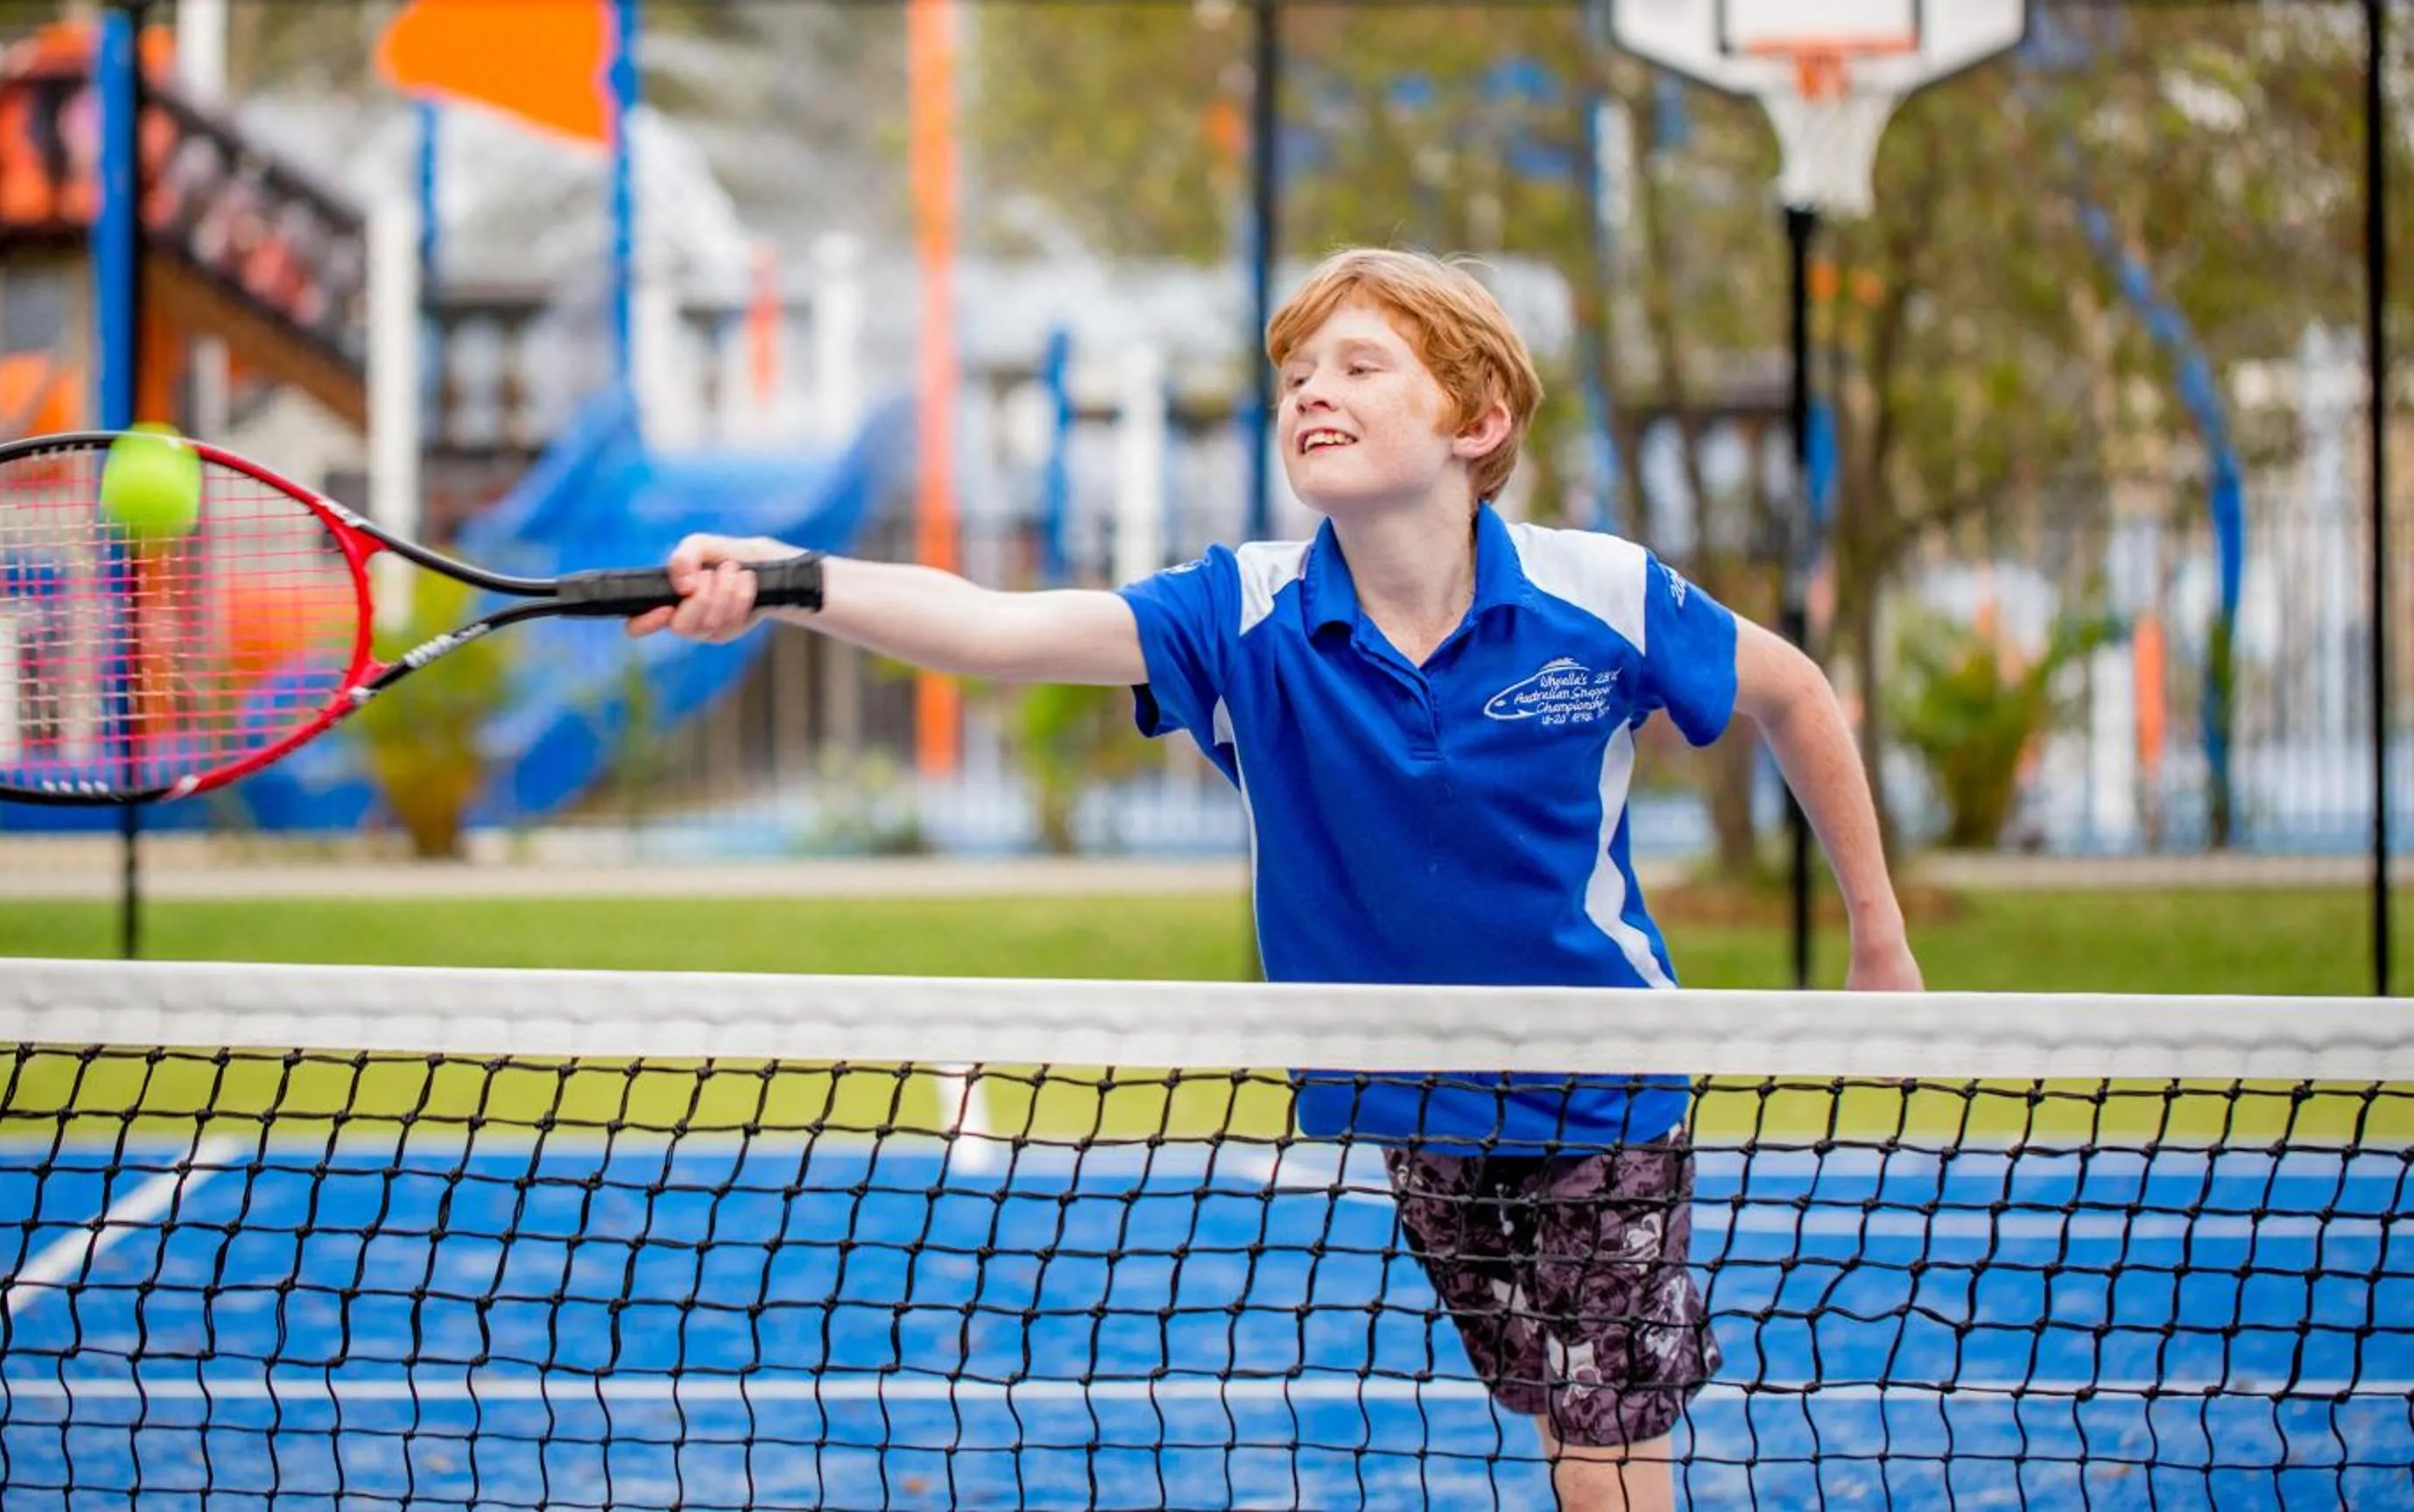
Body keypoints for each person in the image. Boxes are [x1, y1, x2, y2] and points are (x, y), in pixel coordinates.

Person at [631, 246, 1923, 1509]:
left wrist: (1880, 941)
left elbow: (1795, 692)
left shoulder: (1605, 594)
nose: (1312, 391)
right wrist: (783, 579)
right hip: (1408, 1095)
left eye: (1362, 365)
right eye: (1299, 373)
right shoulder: (1235, 613)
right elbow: (989, 625)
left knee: (1608, 1446)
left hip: (1603, 1078)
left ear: (1479, 419)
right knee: (1546, 1402)